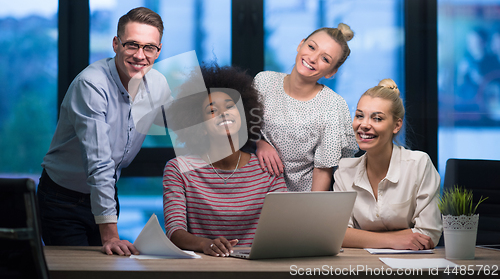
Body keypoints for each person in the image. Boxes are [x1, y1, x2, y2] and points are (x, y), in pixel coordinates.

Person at [37, 7, 172, 255]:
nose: (140, 55)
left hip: (108, 193)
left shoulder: (158, 84)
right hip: (62, 200)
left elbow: (192, 127)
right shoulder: (91, 84)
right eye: (132, 45)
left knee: (108, 268)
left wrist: (257, 143)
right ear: (115, 44)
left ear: (158, 51)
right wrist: (110, 236)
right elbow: (99, 162)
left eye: (149, 47)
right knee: (78, 273)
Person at [163, 65, 286, 257]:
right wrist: (205, 244)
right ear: (201, 126)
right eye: (212, 110)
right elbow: (174, 232)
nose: (224, 113)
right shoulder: (178, 169)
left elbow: (284, 228)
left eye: (231, 106)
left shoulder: (267, 169)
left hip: (257, 267)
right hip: (201, 267)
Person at [334, 79, 442, 250]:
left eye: (377, 118)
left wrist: (359, 237)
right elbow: (337, 234)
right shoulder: (344, 170)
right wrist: (395, 240)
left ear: (396, 125)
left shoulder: (419, 164)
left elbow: (429, 235)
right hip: (360, 267)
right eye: (359, 115)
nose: (364, 125)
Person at [253, 25, 358, 191]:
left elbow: (323, 169)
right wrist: (259, 142)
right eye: (311, 47)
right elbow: (241, 132)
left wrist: (311, 213)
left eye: (325, 59)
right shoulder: (263, 82)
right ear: (300, 44)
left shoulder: (333, 105)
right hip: (253, 195)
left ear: (332, 72)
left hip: (300, 201)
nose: (313, 58)